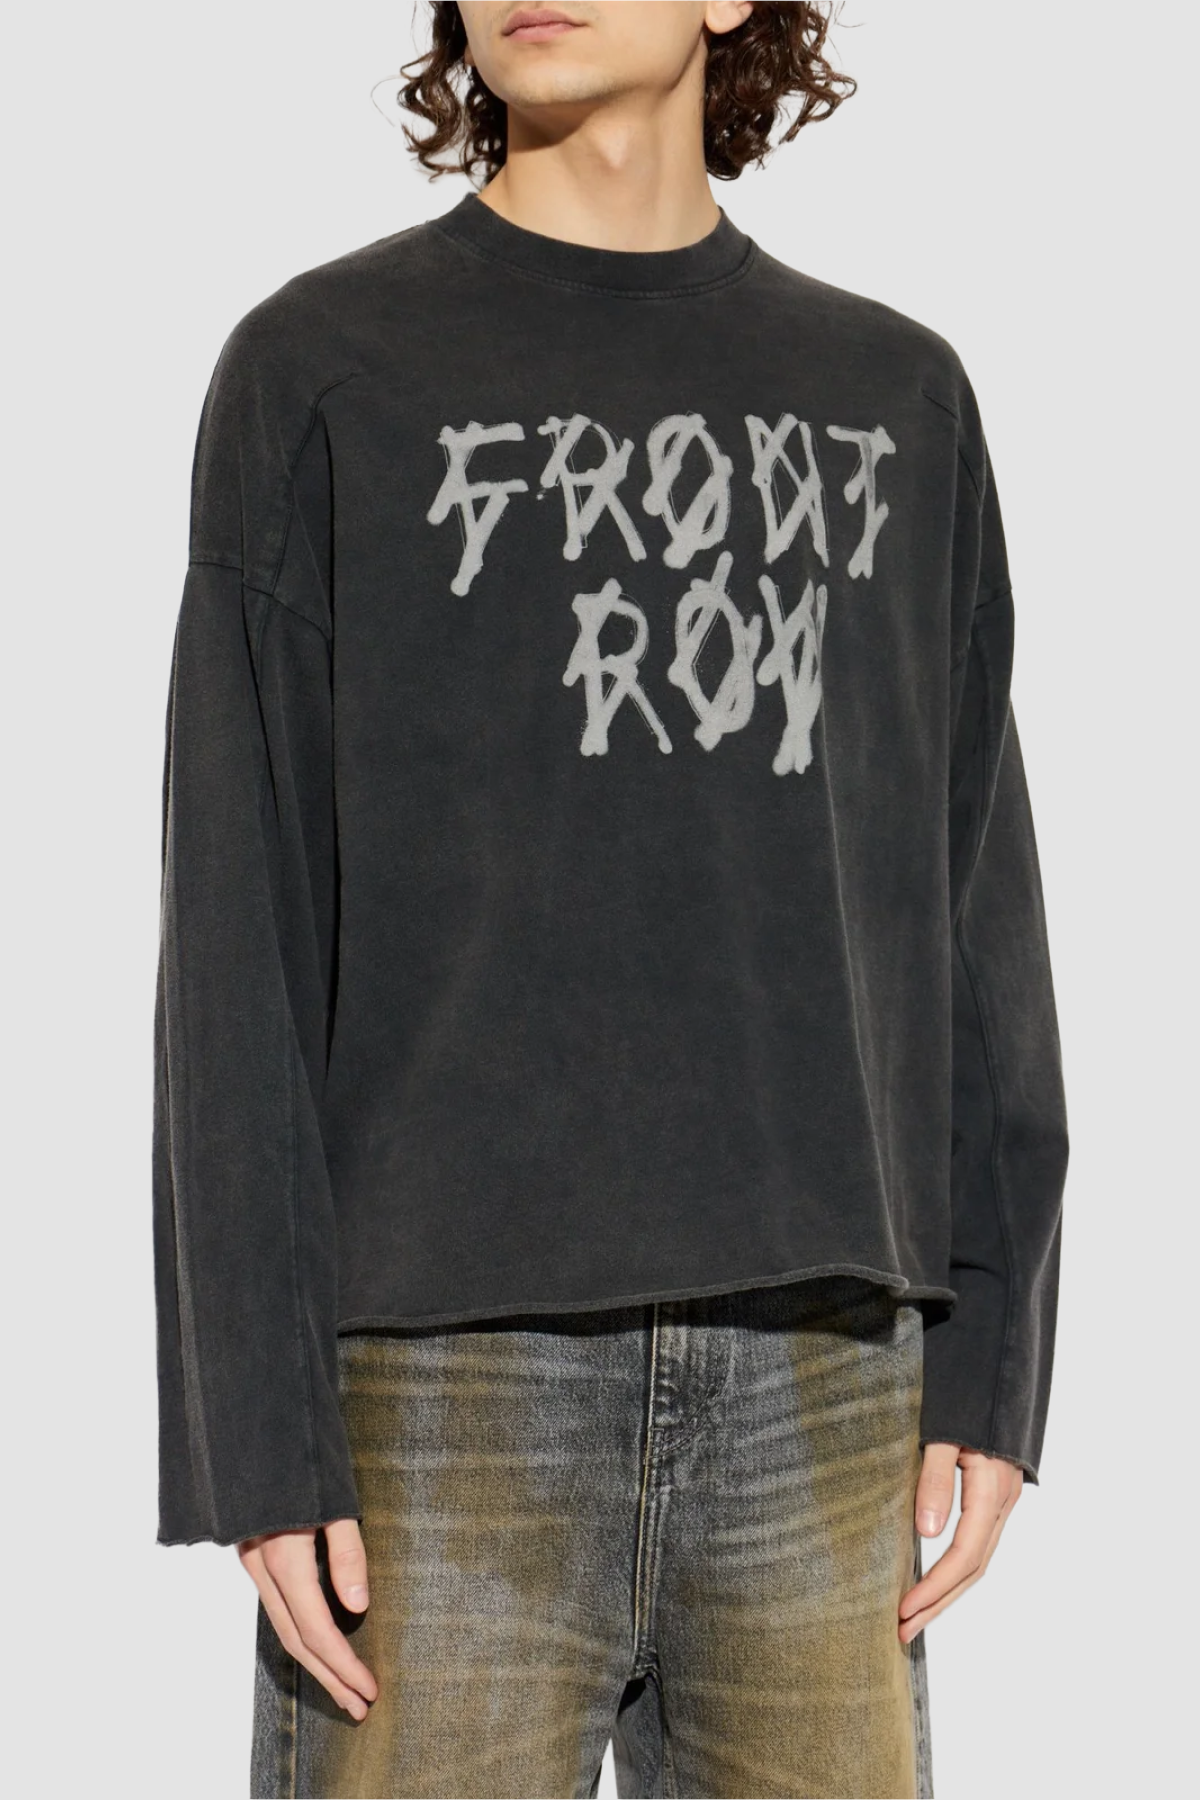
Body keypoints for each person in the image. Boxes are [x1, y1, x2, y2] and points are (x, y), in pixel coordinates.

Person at [152, 4, 1069, 1796]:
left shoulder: (894, 394)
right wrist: (255, 1429)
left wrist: (995, 1348)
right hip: (439, 1384)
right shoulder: (322, 368)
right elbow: (237, 923)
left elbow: (972, 901)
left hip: (827, 1369)